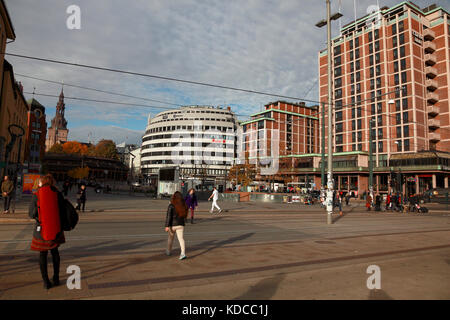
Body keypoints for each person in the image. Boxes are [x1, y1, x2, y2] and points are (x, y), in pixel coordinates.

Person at [29, 174, 65, 289]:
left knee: (43, 255)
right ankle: (56, 278)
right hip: (55, 229)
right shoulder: (57, 193)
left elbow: (31, 214)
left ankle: (46, 281)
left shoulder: (37, 195)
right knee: (55, 253)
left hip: (41, 230)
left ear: (42, 183)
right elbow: (62, 210)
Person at [165, 191, 188, 260]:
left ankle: (168, 251)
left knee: (170, 238)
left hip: (172, 225)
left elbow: (168, 216)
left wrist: (167, 226)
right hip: (180, 225)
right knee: (181, 239)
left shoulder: (171, 205)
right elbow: (185, 215)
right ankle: (183, 253)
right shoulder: (183, 205)